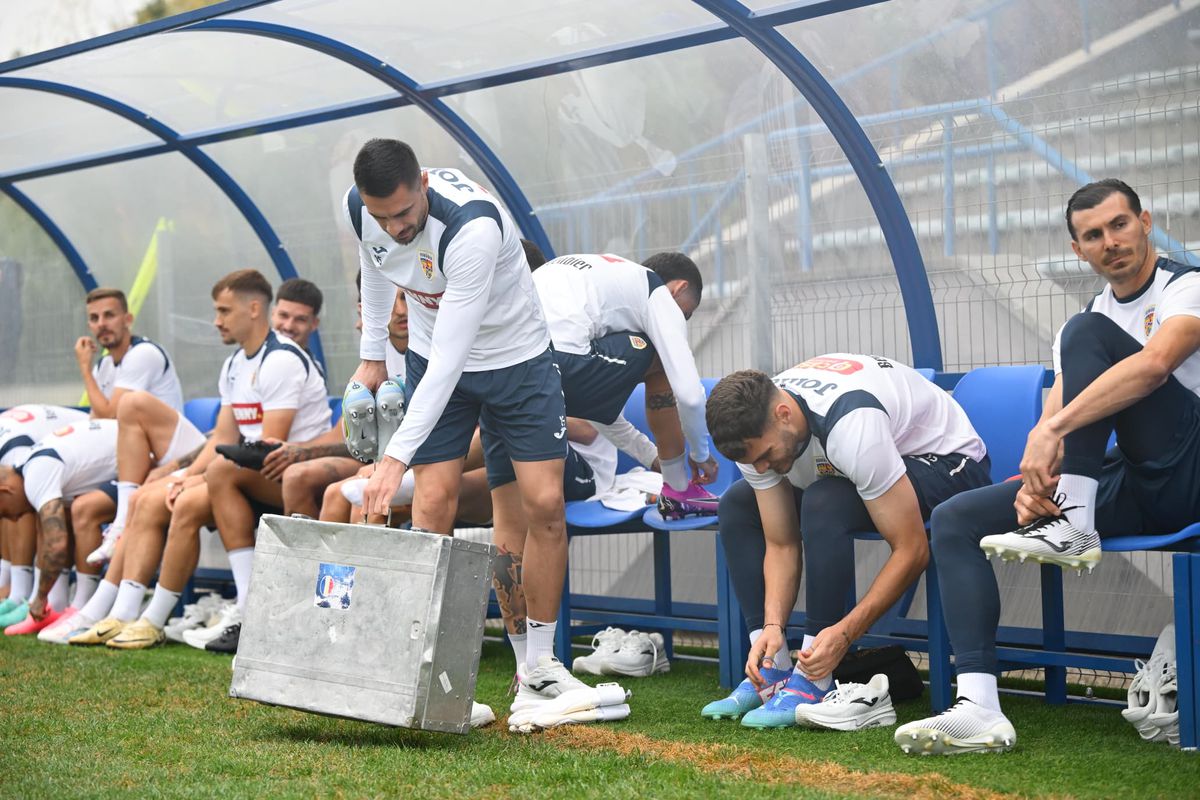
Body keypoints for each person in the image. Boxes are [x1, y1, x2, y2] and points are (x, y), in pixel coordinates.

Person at [898, 179, 1200, 754]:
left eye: (1119, 224)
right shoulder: (1081, 325)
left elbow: (1155, 365)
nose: (1110, 241)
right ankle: (979, 706)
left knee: (1094, 341)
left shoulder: (1186, 286)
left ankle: (1076, 523)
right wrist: (1035, 482)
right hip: (1133, 477)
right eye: (1094, 235)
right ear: (1077, 250)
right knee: (957, 519)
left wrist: (1053, 432)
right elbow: (1058, 414)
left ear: (1145, 223)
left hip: (1191, 466)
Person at [345, 139, 577, 721]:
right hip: (432, 354)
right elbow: (377, 267)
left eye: (403, 213)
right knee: (432, 503)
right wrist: (372, 355)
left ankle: (539, 668)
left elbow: (453, 361)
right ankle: (426, 673)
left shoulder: (474, 228)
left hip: (515, 361)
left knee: (544, 506)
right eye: (381, 216)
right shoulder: (363, 208)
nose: (394, 228)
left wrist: (393, 458)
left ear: (423, 183)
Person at [702, 356, 990, 729]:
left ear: (784, 415)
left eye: (765, 456)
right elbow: (782, 543)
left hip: (950, 463)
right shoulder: (755, 433)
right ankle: (772, 667)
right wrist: (772, 625)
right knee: (738, 503)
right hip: (864, 462)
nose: (760, 468)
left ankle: (815, 676)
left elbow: (912, 549)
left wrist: (846, 633)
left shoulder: (853, 426)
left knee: (825, 501)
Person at [488, 250, 718, 687]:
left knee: (508, 525)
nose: (680, 323)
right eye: (684, 315)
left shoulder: (591, 275)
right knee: (660, 358)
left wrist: (650, 455)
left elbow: (597, 407)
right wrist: (702, 454)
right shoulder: (655, 293)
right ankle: (679, 489)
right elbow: (688, 393)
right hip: (553, 362)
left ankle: (524, 666)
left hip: (500, 365)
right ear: (678, 290)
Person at [75, 270, 329, 651]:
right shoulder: (235, 363)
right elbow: (224, 437)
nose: (216, 321)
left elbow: (267, 451)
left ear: (254, 309)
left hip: (290, 479)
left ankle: (238, 608)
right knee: (149, 497)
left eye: (224, 311)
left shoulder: (281, 359)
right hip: (245, 475)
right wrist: (186, 475)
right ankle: (132, 615)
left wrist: (198, 479)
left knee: (200, 490)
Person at [0, 420, 119, 633]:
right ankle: (61, 605)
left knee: (83, 510)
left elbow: (57, 545)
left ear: (5, 490)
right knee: (56, 512)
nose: (14, 519)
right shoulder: (29, 467)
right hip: (130, 457)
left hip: (150, 459)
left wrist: (40, 598)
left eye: (4, 512)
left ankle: (82, 607)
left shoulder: (35, 476)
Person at [0, 405, 88, 618]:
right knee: (27, 505)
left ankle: (37, 597)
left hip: (110, 451)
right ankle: (16, 591)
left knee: (42, 508)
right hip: (80, 451)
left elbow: (55, 538)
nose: (11, 518)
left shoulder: (15, 455)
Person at [74, 287, 184, 417]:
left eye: (109, 315)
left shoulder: (144, 353)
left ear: (128, 320)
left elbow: (111, 415)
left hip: (161, 431)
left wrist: (85, 368)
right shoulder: (103, 365)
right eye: (94, 318)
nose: (101, 324)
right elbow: (95, 418)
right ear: (90, 327)